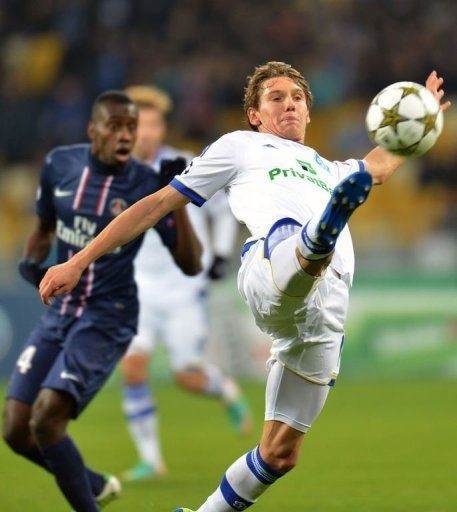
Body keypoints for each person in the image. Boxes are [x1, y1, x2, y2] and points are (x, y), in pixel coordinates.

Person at [38, 63, 450, 512]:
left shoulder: (331, 168)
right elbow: (157, 204)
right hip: (270, 271)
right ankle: (318, 236)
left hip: (325, 314)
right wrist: (78, 261)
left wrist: (422, 114)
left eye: (297, 97)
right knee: (298, 238)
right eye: (276, 97)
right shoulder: (240, 148)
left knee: (280, 453)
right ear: (255, 115)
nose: (289, 103)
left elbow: (380, 165)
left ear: (309, 113)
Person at [2, 90, 202, 512]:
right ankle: (92, 483)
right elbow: (43, 226)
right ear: (94, 130)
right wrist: (33, 258)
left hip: (107, 316)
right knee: (16, 430)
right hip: (61, 312)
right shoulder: (61, 164)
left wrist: (177, 201)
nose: (126, 135)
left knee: (47, 419)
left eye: (132, 126)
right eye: (116, 126)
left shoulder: (146, 184)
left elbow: (191, 263)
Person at [120, 85, 251, 482]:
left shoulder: (184, 164)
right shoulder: (114, 174)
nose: (146, 132)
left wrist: (223, 254)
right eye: (138, 125)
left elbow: (225, 208)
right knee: (133, 367)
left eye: (154, 124)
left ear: (162, 128)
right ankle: (150, 459)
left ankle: (225, 390)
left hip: (183, 287)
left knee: (186, 376)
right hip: (138, 287)